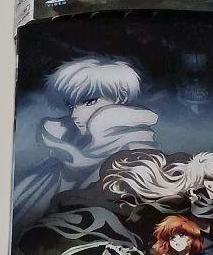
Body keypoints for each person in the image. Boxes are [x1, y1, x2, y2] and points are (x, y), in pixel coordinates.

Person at [12, 57, 157, 229]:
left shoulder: (137, 158)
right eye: (71, 105)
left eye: (89, 102)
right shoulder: (59, 162)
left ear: (120, 97)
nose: (75, 115)